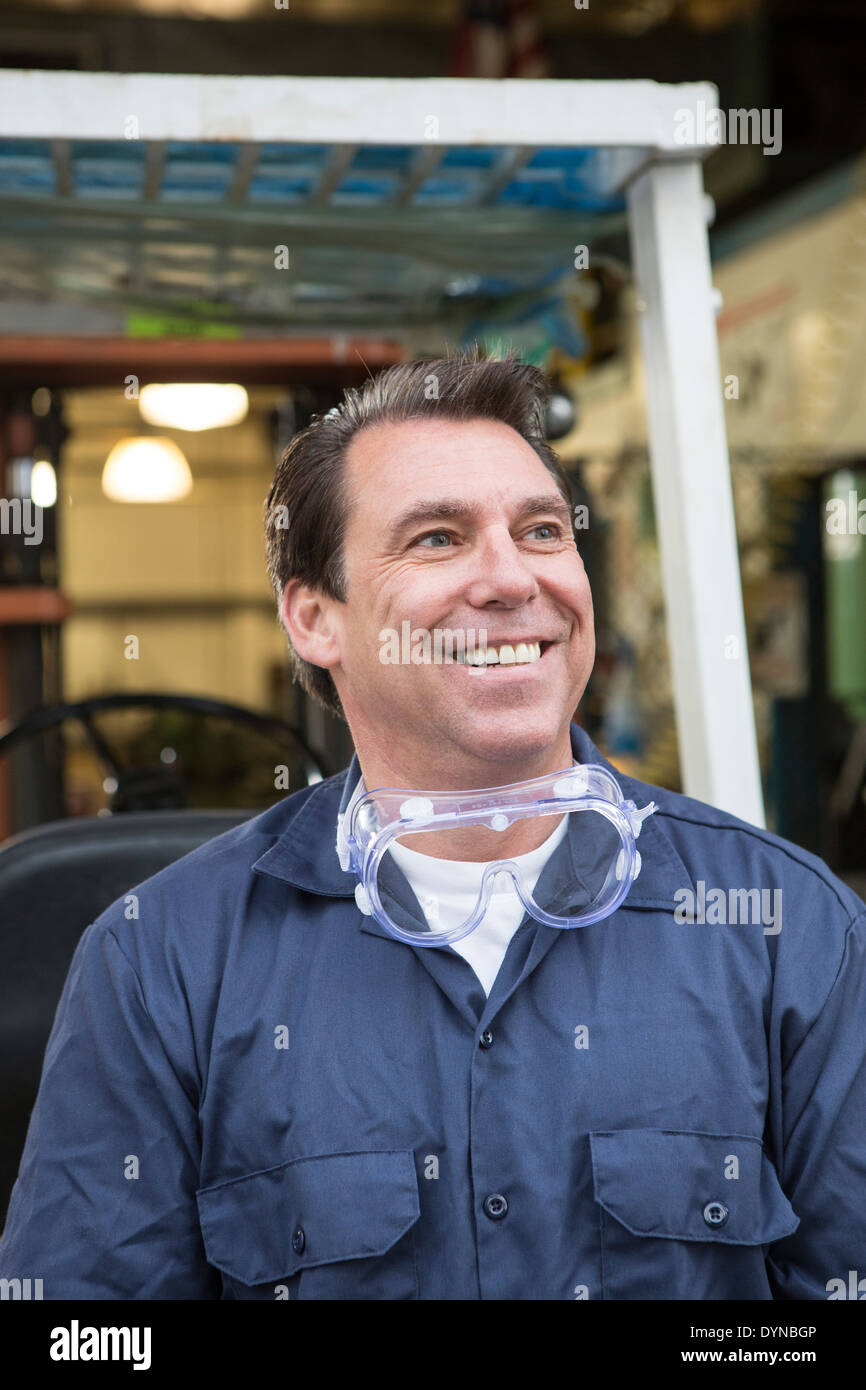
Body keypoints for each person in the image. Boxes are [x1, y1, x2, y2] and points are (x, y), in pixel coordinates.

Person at [1, 351, 864, 1300]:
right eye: (438, 540)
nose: (510, 579)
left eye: (540, 531)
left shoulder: (788, 927)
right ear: (315, 618)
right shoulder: (156, 963)